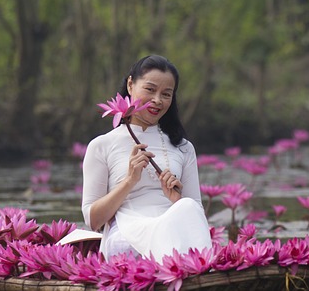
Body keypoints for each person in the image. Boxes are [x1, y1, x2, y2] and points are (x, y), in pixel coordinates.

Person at [82, 54, 212, 259]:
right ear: (131, 84)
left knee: (188, 206)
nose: (157, 100)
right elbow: (94, 221)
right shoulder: (101, 145)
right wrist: (129, 180)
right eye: (150, 90)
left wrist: (176, 199)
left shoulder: (183, 148)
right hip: (128, 236)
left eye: (166, 94)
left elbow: (196, 217)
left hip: (174, 230)